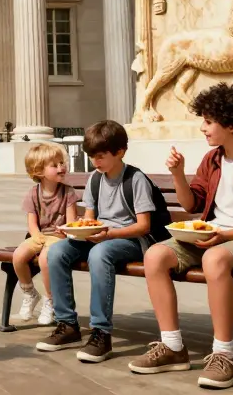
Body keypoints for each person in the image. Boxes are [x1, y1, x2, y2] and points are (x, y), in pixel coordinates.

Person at [128, 83, 233, 389]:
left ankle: (225, 354)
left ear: (231, 124)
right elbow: (192, 205)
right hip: (216, 238)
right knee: (155, 255)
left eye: (208, 121)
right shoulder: (212, 160)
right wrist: (178, 174)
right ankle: (172, 346)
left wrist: (226, 236)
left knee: (215, 260)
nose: (202, 128)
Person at [38, 120, 156, 363]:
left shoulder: (135, 180)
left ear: (120, 152)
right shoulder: (95, 179)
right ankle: (67, 325)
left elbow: (144, 226)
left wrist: (109, 234)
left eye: (100, 156)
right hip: (101, 237)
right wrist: (75, 230)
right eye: (92, 157)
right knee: (57, 252)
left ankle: (101, 332)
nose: (95, 162)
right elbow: (90, 220)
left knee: (99, 254)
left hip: (130, 239)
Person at [13, 142, 80, 325]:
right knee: (18, 255)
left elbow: (72, 222)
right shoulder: (34, 193)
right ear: (39, 171)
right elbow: (31, 222)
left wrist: (65, 229)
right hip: (39, 234)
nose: (61, 167)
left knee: (45, 259)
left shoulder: (68, 192)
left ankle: (50, 299)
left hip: (59, 237)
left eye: (62, 163)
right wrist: (36, 237)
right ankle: (29, 293)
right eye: (55, 165)